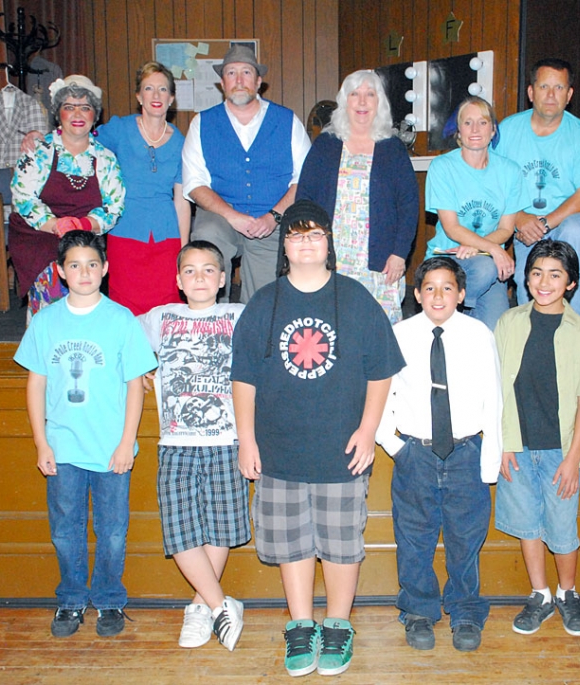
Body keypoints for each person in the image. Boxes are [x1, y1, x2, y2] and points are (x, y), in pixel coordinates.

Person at [231, 199, 404, 676]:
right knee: (291, 544)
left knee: (341, 542)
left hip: (340, 451)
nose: (305, 243)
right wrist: (247, 439)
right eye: (296, 235)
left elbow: (381, 370)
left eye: (314, 235)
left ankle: (338, 626)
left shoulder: (354, 298)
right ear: (283, 245)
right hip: (279, 450)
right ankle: (302, 625)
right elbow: (243, 377)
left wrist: (368, 430)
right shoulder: (264, 301)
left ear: (328, 242)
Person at [13, 230, 157, 639]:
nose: (84, 272)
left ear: (105, 269)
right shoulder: (46, 321)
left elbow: (134, 384)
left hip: (111, 449)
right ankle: (71, 600)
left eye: (93, 264)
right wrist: (42, 442)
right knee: (65, 529)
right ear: (61, 272)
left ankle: (109, 599)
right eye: (74, 265)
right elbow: (36, 383)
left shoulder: (121, 320)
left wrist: (127, 441)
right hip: (63, 447)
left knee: (112, 531)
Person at [376, 257, 503, 652]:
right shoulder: (399, 334)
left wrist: (489, 458)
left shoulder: (479, 334)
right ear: (416, 294)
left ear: (462, 294)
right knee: (414, 538)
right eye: (429, 287)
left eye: (447, 287)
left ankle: (465, 612)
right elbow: (383, 394)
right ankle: (418, 611)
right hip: (417, 453)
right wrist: (395, 445)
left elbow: (493, 397)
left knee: (466, 539)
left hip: (465, 451)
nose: (438, 295)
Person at [493, 240, 580, 638]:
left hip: (562, 449)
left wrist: (574, 456)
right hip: (518, 448)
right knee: (528, 526)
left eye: (555, 274)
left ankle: (568, 593)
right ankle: (539, 594)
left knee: (562, 528)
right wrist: (504, 444)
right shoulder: (509, 323)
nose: (544, 282)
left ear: (572, 283)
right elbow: (498, 389)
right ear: (526, 278)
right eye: (537, 273)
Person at [139, 241, 249, 651]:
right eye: (190, 270)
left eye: (208, 270)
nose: (199, 277)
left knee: (220, 526)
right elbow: (121, 342)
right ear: (178, 280)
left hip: (226, 438)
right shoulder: (159, 318)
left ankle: (200, 607)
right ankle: (221, 604)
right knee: (181, 530)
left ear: (223, 279)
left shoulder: (239, 315)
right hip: (176, 441)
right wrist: (143, 368)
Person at [23, 63, 191, 315]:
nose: (156, 96)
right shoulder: (119, 129)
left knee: (169, 308)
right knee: (126, 306)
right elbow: (76, 135)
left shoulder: (180, 141)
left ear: (172, 98)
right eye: (149, 88)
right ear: (138, 97)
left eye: (163, 89)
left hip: (167, 236)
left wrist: (184, 250)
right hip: (124, 231)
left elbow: (181, 200)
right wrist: (42, 135)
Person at [182, 44, 311, 303]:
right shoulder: (202, 123)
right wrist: (232, 216)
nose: (239, 80)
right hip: (222, 216)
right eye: (231, 73)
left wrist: (274, 216)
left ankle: (255, 335)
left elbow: (304, 177)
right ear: (222, 83)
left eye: (246, 73)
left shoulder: (287, 121)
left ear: (259, 81)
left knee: (264, 300)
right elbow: (195, 183)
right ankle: (212, 318)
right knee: (208, 236)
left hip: (271, 217)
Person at [297, 70, 418, 323]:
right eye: (355, 94)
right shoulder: (325, 144)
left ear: (379, 103)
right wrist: (308, 247)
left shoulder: (393, 148)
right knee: (332, 323)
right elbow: (304, 199)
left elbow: (409, 206)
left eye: (370, 95)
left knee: (378, 330)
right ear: (344, 101)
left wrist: (399, 253)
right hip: (332, 256)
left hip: (380, 261)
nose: (362, 102)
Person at [493, 58, 580, 321]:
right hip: (523, 221)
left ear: (569, 95)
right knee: (531, 295)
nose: (551, 95)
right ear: (531, 93)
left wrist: (543, 223)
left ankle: (573, 327)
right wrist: (520, 218)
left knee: (575, 231)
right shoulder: (508, 130)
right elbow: (491, 182)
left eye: (559, 88)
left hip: (570, 217)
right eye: (544, 86)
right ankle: (533, 329)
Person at [11, 75, 125, 317]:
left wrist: (84, 224)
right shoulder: (38, 150)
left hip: (85, 237)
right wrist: (56, 225)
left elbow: (115, 205)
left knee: (85, 273)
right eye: (69, 107)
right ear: (58, 113)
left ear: (95, 115)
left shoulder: (105, 158)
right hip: (39, 237)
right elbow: (23, 198)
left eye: (85, 108)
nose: (78, 114)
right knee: (55, 277)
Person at [424, 96, 521, 330]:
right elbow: (451, 227)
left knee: (495, 335)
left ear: (493, 130)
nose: (475, 129)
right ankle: (446, 321)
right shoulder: (442, 167)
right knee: (485, 267)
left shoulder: (510, 171)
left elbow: (507, 229)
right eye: (467, 123)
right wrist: (492, 248)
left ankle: (454, 318)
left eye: (483, 122)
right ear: (459, 131)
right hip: (447, 257)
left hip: (487, 261)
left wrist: (480, 247)